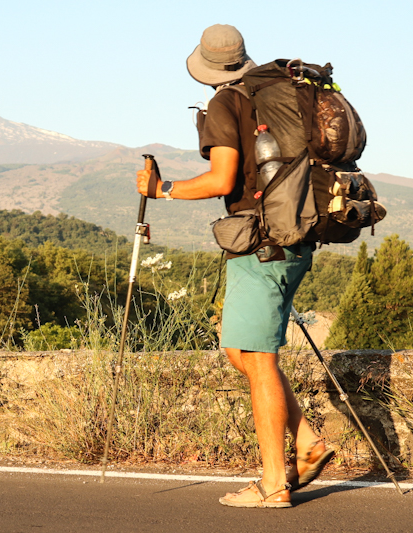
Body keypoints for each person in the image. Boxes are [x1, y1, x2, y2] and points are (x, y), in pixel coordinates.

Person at [136, 24, 335, 509]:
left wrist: (160, 189)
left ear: (205, 68)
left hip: (261, 245)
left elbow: (220, 178)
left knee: (258, 358)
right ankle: (308, 443)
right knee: (239, 350)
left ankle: (273, 485)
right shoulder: (275, 95)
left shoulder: (227, 102)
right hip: (296, 239)